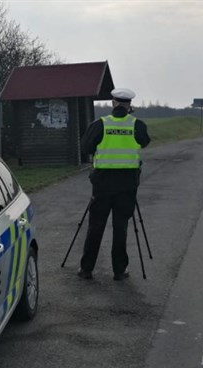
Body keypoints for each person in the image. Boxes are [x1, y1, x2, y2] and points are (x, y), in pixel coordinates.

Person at [77, 88, 151, 281]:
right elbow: (144, 142)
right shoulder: (137, 125)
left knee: (95, 226)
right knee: (121, 228)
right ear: (129, 105)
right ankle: (119, 270)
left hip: (102, 185)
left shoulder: (100, 124)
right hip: (127, 186)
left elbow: (85, 147)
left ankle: (87, 269)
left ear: (113, 103)